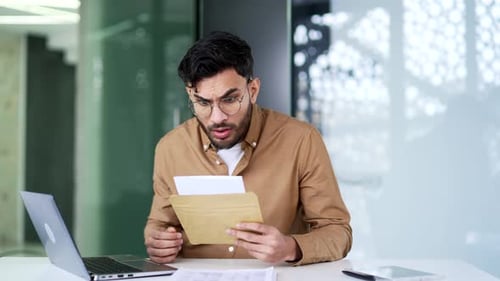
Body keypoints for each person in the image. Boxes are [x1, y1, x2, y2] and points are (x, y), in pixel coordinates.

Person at [144, 31, 352, 265]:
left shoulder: (301, 140)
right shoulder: (170, 148)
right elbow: (159, 226)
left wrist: (291, 248)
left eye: (230, 99)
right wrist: (158, 243)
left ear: (253, 90)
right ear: (190, 96)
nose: (217, 117)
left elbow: (337, 232)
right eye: (203, 103)